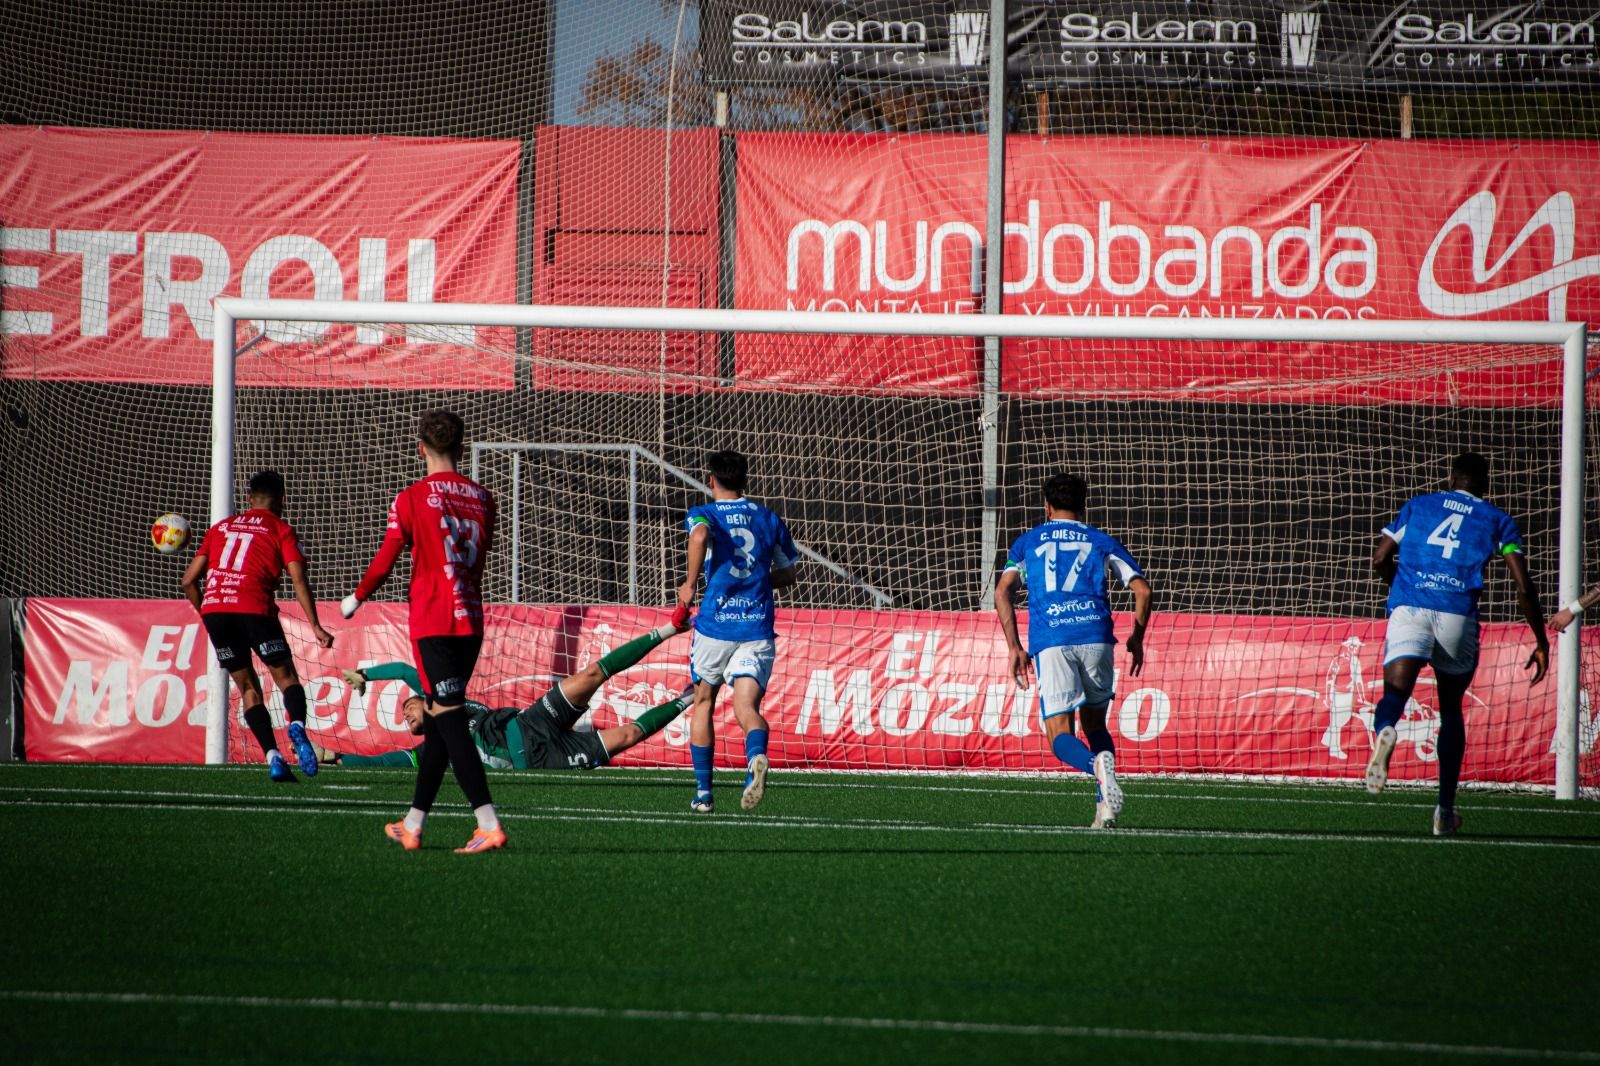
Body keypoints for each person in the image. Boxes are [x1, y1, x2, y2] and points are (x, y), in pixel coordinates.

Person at [341, 410, 505, 854]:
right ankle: (412, 824)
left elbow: (386, 558)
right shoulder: (484, 498)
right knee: (437, 720)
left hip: (434, 620)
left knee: (450, 719)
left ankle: (488, 823)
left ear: (420, 448)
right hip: (470, 619)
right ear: (462, 448)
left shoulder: (412, 498)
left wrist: (355, 598)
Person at [1367, 452, 1547, 836]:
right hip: (1456, 615)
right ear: (1485, 484)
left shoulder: (1418, 505)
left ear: (1451, 478)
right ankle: (1444, 811)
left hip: (1411, 607)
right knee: (1450, 710)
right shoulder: (1498, 520)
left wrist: (1400, 589)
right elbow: (1522, 585)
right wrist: (1540, 637)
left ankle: (1387, 729)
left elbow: (1381, 556)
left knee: (1395, 695)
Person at [994, 473, 1152, 829]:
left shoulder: (1027, 542)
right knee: (1095, 724)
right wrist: (1137, 638)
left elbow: (1003, 591)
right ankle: (1105, 810)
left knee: (1060, 735)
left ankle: (1095, 768)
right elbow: (1142, 590)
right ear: (1084, 505)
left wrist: (1014, 647)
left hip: (1053, 639)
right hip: (1097, 636)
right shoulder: (1100, 540)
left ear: (1047, 506)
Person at [333, 617, 691, 773]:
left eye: (406, 705)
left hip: (531, 720)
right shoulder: (431, 750)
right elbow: (382, 764)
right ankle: (694, 694)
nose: (405, 714)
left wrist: (365, 674)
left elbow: (403, 671)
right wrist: (334, 757)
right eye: (403, 718)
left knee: (591, 673)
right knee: (628, 735)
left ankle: (668, 629)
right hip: (540, 760)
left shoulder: (444, 700)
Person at [182, 470, 334, 782]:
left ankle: (273, 757)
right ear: (282, 499)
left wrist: (208, 614)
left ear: (249, 499)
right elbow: (297, 577)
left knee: (248, 688)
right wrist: (316, 625)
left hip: (216, 611)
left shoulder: (220, 528)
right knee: (286, 677)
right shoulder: (281, 529)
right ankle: (297, 726)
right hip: (254, 607)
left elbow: (188, 580)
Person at [676, 449, 800, 814]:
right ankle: (756, 758)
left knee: (703, 702)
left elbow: (699, 538)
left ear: (711, 481)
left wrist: (689, 585)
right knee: (746, 705)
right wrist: (758, 583)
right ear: (745, 481)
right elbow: (790, 576)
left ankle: (703, 794)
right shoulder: (768, 517)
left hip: (716, 626)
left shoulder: (705, 513)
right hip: (757, 626)